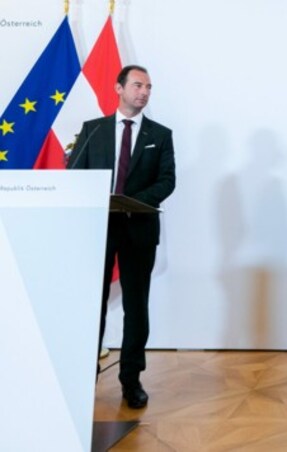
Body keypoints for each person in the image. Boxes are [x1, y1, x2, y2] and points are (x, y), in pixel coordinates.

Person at [69, 65, 176, 409]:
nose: (144, 92)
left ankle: (131, 380)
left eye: (149, 87)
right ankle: (83, 379)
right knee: (90, 307)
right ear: (119, 87)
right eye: (137, 85)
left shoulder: (160, 135)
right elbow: (76, 175)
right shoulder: (93, 130)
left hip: (138, 230)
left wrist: (133, 202)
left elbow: (167, 181)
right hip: (97, 230)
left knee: (136, 308)